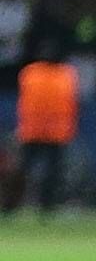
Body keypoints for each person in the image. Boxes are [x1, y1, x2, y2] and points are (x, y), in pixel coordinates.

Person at [12, 41, 79, 209]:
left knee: (48, 171)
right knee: (28, 170)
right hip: (40, 131)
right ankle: (18, 203)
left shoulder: (59, 74)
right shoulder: (36, 73)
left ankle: (43, 204)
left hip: (49, 132)